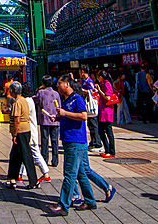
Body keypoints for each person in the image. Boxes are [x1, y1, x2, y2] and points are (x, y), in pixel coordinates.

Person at [45, 75, 115, 216]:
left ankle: (64, 205)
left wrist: (65, 113)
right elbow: (68, 116)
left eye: (59, 83)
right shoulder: (66, 100)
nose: (57, 86)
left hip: (75, 140)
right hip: (70, 139)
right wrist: (58, 116)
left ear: (67, 84)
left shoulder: (77, 99)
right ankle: (90, 200)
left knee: (70, 173)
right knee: (82, 172)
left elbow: (83, 116)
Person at [3, 82, 38, 189]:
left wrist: (15, 134)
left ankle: (33, 180)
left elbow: (17, 119)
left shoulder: (18, 102)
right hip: (25, 130)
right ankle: (12, 178)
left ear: (12, 91)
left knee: (26, 155)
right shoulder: (24, 100)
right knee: (15, 156)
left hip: (21, 131)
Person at [18, 85, 51, 185]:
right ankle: (21, 174)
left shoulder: (27, 101)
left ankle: (46, 174)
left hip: (29, 130)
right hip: (30, 130)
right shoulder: (30, 100)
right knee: (27, 152)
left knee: (34, 152)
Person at [34, 75, 61, 167]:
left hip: (45, 120)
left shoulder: (41, 93)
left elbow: (35, 100)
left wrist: (36, 91)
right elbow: (59, 107)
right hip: (55, 121)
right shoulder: (56, 94)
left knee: (44, 140)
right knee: (55, 141)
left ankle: (44, 160)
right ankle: (55, 160)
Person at [95, 71, 116, 157]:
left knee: (108, 131)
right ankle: (107, 149)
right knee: (101, 131)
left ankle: (111, 151)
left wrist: (99, 91)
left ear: (101, 77)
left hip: (107, 112)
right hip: (102, 111)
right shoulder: (103, 84)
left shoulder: (107, 84)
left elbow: (108, 97)